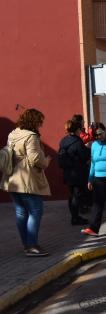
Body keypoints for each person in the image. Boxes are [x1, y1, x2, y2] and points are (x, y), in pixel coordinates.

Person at [1, 109, 51, 257]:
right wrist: (46, 161)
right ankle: (32, 245)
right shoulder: (31, 136)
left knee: (21, 212)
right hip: (26, 179)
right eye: (39, 121)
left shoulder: (13, 134)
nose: (40, 124)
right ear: (34, 121)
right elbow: (35, 158)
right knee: (35, 212)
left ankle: (26, 244)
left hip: (11, 179)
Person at [58, 119, 90, 225]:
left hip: (67, 173)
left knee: (72, 195)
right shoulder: (77, 141)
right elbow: (84, 156)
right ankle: (75, 218)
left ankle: (74, 216)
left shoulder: (63, 140)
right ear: (77, 129)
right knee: (76, 196)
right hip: (77, 173)